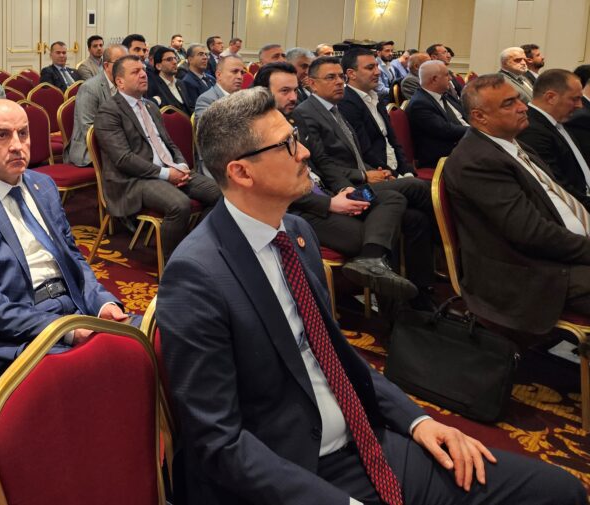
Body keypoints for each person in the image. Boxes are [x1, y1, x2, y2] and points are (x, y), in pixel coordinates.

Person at [159, 86, 588, 505]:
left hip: (365, 440)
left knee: (559, 491)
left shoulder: (296, 234)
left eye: (297, 137)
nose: (304, 152)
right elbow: (219, 441)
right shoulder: (198, 276)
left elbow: (334, 352)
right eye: (287, 145)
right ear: (241, 172)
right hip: (290, 472)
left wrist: (417, 421)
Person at [0, 100, 132, 381]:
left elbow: (73, 257)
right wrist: (65, 329)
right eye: (2, 135)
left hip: (75, 307)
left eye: (23, 133)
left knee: (152, 338)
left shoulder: (43, 185)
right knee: (101, 371)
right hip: (18, 330)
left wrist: (102, 304)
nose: (17, 145)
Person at [255, 63, 421, 302]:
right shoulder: (256, 132)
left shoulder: (293, 119)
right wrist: (331, 204)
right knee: (379, 230)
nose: (293, 97)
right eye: (284, 91)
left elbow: (322, 162)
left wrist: (346, 190)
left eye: (294, 90)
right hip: (304, 209)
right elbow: (273, 189)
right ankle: (388, 298)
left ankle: (380, 269)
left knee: (393, 199)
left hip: (330, 194)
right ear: (263, 93)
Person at [444, 74, 590, 337]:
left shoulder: (512, 144)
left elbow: (557, 197)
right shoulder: (476, 161)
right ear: (480, 117)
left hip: (561, 248)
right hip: (531, 272)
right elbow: (531, 234)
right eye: (509, 104)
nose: (523, 107)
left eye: (519, 100)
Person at [293, 56, 436, 302]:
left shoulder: (335, 109)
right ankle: (454, 238)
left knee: (415, 217)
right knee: (415, 186)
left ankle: (420, 294)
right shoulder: (307, 113)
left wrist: (373, 171)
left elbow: (354, 155)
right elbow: (324, 163)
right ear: (312, 84)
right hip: (350, 190)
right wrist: (355, 182)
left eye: (340, 77)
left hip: (360, 186)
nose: (339, 82)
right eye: (331, 77)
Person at [93, 55, 221, 260]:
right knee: (179, 205)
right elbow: (123, 159)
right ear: (120, 81)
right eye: (135, 72)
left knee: (220, 193)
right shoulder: (109, 111)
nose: (143, 74)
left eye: (143, 70)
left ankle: (193, 246)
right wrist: (166, 174)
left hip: (168, 169)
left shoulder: (150, 106)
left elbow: (169, 143)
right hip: (134, 179)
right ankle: (172, 264)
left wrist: (181, 164)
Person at [516, 69, 590, 209]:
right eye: (574, 99)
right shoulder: (531, 131)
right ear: (551, 97)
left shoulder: (560, 120)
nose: (580, 105)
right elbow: (556, 185)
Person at [338, 49, 415, 177]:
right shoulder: (346, 103)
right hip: (378, 173)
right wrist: (397, 176)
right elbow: (364, 151)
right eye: (370, 68)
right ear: (351, 74)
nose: (378, 72)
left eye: (377, 66)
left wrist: (406, 171)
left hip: (396, 169)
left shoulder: (376, 97)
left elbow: (393, 140)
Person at [65, 44, 125, 167]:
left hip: (121, 144)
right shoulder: (90, 88)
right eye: (120, 62)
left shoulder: (127, 85)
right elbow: (89, 129)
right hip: (89, 150)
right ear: (106, 66)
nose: (125, 67)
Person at [408, 60, 468, 168]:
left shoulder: (445, 94)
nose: (450, 78)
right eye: (446, 75)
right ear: (434, 79)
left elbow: (465, 114)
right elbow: (446, 130)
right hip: (444, 156)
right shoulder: (420, 104)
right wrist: (477, 130)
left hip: (464, 142)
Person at [149, 47, 193, 115]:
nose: (175, 62)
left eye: (175, 58)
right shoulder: (153, 86)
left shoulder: (181, 83)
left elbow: (190, 107)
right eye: (169, 59)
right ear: (158, 66)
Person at [180, 44, 215, 108]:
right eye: (200, 54)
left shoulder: (211, 78)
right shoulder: (187, 82)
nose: (205, 57)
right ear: (190, 59)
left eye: (206, 54)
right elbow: (196, 108)